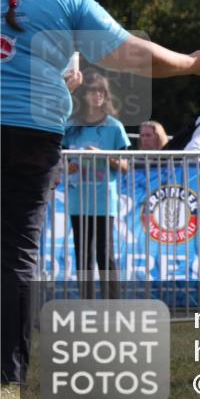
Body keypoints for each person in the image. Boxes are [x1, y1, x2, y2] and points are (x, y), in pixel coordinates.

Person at [1, 0, 200, 385]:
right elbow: (132, 54)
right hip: (32, 133)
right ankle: (8, 371)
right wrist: (191, 64)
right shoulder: (67, 0)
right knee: (17, 253)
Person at [62, 71, 129, 300]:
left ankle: (113, 305)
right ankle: (87, 304)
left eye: (102, 91)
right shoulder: (71, 126)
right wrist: (68, 165)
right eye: (92, 90)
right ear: (84, 95)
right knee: (83, 255)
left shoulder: (115, 127)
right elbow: (62, 161)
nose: (98, 95)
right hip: (78, 200)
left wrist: (103, 155)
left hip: (103, 201)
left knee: (104, 253)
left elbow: (125, 166)